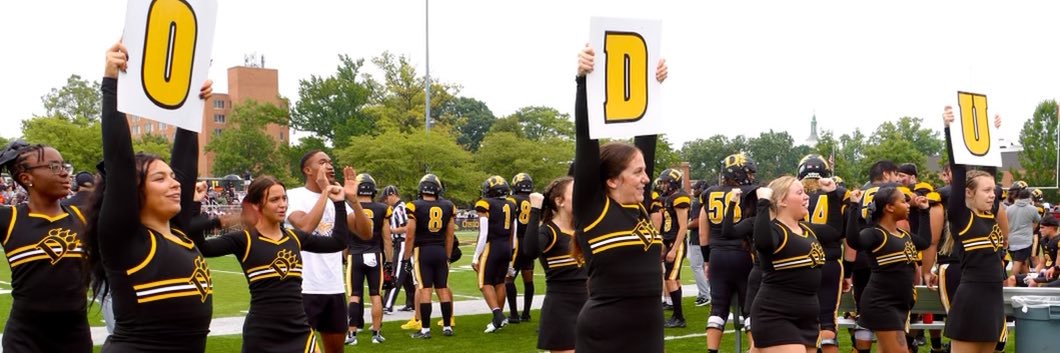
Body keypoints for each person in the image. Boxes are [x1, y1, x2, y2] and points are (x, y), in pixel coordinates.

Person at [89, 42, 214, 352]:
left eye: (173, 177)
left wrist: (192, 104)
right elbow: (118, 158)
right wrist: (110, 82)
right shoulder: (126, 239)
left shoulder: (181, 234)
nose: (175, 184)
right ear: (134, 191)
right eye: (160, 178)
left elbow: (185, 158)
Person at [189, 175, 358, 352]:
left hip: (299, 330)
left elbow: (338, 243)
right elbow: (201, 247)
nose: (282, 204)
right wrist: (195, 204)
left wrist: (339, 203)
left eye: (284, 198)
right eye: (274, 200)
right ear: (256, 205)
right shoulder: (244, 240)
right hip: (262, 334)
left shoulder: (295, 237)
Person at [571, 44, 667, 353]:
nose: (647, 178)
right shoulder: (593, 208)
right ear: (612, 179)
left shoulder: (639, 205)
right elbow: (585, 140)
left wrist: (653, 88)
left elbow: (647, 136)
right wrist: (583, 81)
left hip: (649, 332)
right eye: (637, 172)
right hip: (607, 333)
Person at [0, 140, 88, 353]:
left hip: (75, 338)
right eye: (54, 167)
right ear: (26, 178)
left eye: (64, 166)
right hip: (25, 341)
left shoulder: (84, 216)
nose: (65, 173)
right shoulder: (9, 219)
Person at [284, 150, 372, 353]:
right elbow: (304, 226)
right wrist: (325, 193)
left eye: (330, 162)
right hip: (303, 288)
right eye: (322, 162)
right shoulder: (294, 195)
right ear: (308, 170)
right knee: (300, 349)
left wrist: (353, 200)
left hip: (333, 288)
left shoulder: (337, 197)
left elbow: (366, 233)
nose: (330, 166)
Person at [942, 106, 1007, 353]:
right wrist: (948, 130)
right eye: (987, 191)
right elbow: (959, 170)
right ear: (969, 193)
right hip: (971, 300)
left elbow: (990, 167)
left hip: (993, 302)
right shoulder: (961, 217)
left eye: (994, 191)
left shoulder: (989, 215)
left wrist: (992, 134)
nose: (993, 195)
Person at [751, 176, 836, 353]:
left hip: (808, 318)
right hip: (775, 315)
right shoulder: (775, 230)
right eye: (800, 193)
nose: (806, 197)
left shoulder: (807, 229)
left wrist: (833, 194)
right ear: (782, 201)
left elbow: (835, 231)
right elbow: (763, 243)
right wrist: (763, 203)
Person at [845, 186, 932, 353]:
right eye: (903, 201)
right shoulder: (876, 234)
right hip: (882, 305)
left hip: (900, 306)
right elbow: (854, 241)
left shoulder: (904, 235)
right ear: (889, 207)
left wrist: (924, 211)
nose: (908, 205)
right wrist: (854, 206)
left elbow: (925, 242)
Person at [699, 153, 757, 352]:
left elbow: (702, 232)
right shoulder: (752, 192)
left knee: (718, 307)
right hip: (743, 255)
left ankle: (712, 350)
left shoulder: (708, 193)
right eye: (748, 171)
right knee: (749, 308)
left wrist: (707, 260)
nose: (750, 176)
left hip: (717, 255)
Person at [521, 177, 585, 353]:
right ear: (559, 201)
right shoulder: (549, 231)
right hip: (562, 311)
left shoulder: (584, 230)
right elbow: (530, 251)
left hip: (591, 309)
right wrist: (535, 209)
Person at [796, 154, 848, 353]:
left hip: (800, 261)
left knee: (802, 320)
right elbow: (843, 234)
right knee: (827, 320)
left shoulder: (792, 195)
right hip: (829, 260)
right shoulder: (840, 194)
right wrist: (849, 271)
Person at [405, 174, 457, 339]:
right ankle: (447, 326)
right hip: (440, 250)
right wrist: (447, 256)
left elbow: (410, 236)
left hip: (423, 251)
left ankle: (425, 330)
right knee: (442, 290)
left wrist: (406, 257)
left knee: (425, 290)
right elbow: (450, 236)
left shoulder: (415, 206)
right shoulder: (448, 206)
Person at [345, 173, 392, 345]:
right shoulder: (382, 208)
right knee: (375, 295)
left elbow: (344, 237)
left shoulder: (350, 207)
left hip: (355, 254)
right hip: (374, 254)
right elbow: (387, 239)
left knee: (355, 295)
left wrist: (345, 257)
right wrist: (389, 261)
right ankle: (376, 333)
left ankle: (352, 334)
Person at [472, 175, 517, 333]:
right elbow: (513, 230)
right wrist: (511, 253)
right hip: (505, 246)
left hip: (492, 246)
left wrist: (475, 256)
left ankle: (497, 315)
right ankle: (497, 320)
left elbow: (483, 233)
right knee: (500, 282)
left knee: (484, 282)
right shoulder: (511, 204)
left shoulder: (485, 204)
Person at [657, 168, 690, 328]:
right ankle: (677, 316)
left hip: (677, 243)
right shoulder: (668, 198)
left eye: (665, 182)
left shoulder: (680, 198)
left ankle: (679, 317)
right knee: (674, 280)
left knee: (670, 279)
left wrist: (674, 248)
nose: (662, 185)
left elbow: (683, 227)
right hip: (669, 241)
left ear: (672, 183)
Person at [380, 185, 417, 315]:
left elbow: (407, 228)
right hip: (401, 243)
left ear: (392, 195)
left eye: (386, 198)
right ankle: (411, 303)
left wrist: (390, 230)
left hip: (402, 243)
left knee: (396, 274)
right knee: (406, 275)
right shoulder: (397, 208)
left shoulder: (400, 208)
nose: (385, 201)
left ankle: (388, 305)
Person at [505, 172, 536, 324]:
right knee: (528, 278)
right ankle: (526, 313)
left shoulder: (512, 199)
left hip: (517, 241)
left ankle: (514, 314)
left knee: (509, 278)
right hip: (531, 241)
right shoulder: (535, 199)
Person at [687, 180, 711, 306]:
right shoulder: (708, 201)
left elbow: (696, 222)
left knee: (697, 267)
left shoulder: (698, 203)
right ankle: (706, 292)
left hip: (698, 239)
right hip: (709, 238)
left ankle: (704, 294)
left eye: (695, 188)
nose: (693, 191)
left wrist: (684, 226)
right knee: (704, 267)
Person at [1007, 189, 1041, 276]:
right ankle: (1010, 283)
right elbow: (1037, 221)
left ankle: (1027, 281)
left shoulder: (1009, 209)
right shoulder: (1033, 209)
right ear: (1029, 197)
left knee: (1022, 264)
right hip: (1024, 242)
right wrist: (1031, 230)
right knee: (1018, 263)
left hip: (1011, 241)